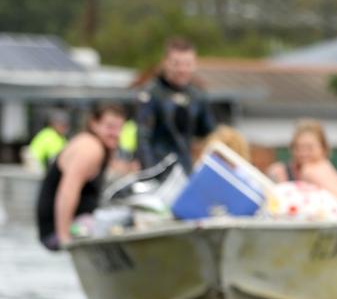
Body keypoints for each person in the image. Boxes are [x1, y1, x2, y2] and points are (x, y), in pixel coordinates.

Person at [35, 102, 126, 250]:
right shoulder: (90, 148)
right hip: (60, 230)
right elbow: (67, 191)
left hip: (75, 222)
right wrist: (64, 238)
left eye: (119, 128)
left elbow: (118, 167)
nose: (116, 133)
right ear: (94, 124)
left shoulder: (99, 145)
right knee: (124, 222)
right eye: (110, 127)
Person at [266, 119, 337, 225]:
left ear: (323, 148)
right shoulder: (284, 169)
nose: (302, 153)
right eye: (298, 148)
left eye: (309, 148)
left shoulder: (313, 169)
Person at [136, 37, 217, 173]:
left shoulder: (197, 95)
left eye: (187, 64)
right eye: (177, 63)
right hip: (159, 169)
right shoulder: (151, 94)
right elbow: (143, 137)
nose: (182, 69)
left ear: (194, 64)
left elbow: (210, 132)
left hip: (186, 169)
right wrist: (150, 173)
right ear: (166, 63)